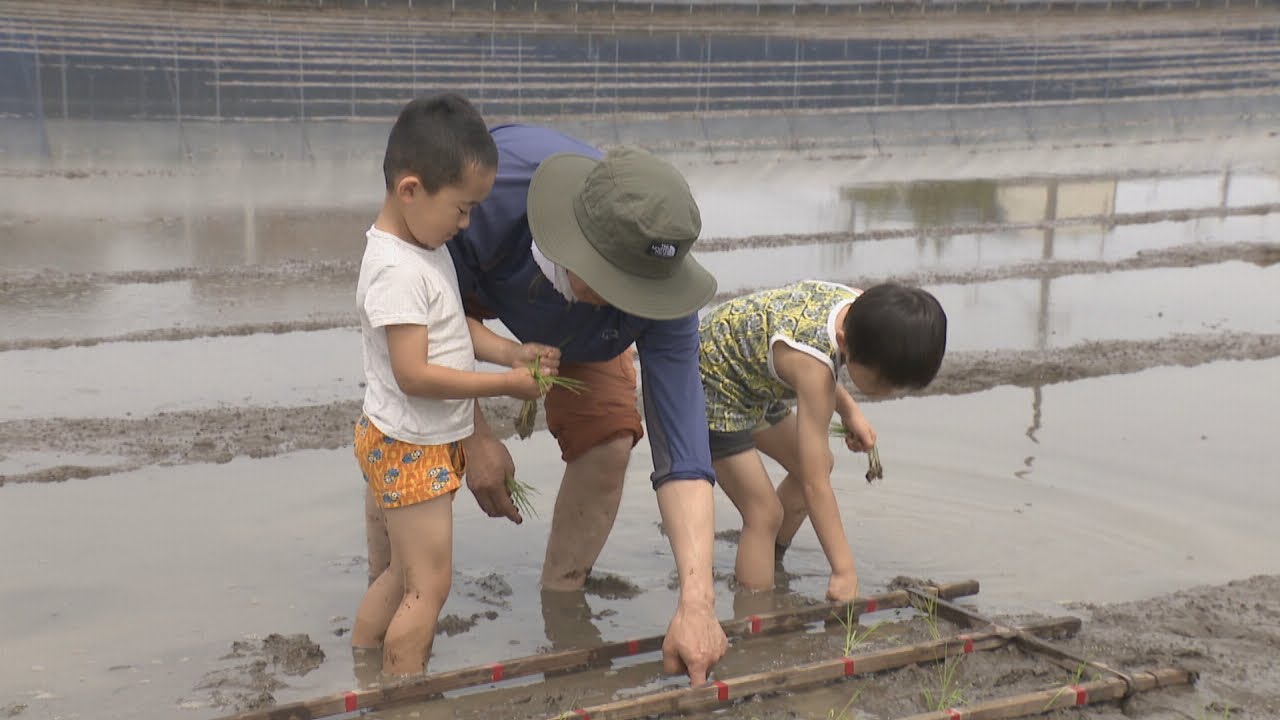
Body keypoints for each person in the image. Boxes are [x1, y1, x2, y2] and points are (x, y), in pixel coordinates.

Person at [364, 123, 729, 685]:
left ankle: (561, 606)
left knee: (609, 442)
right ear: (574, 244)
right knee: (406, 442)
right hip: (464, 303)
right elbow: (417, 340)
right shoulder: (482, 201)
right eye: (614, 286)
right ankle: (376, 647)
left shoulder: (663, 285)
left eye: (641, 296)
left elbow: (683, 449)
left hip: (575, 345)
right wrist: (475, 437)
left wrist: (697, 604)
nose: (627, 305)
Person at [349, 95, 561, 677]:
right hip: (411, 448)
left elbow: (454, 328)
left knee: (401, 575)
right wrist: (504, 385)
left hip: (415, 440)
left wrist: (511, 352)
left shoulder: (425, 247)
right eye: (462, 209)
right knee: (428, 586)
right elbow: (414, 372)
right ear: (410, 189)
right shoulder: (396, 270)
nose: (466, 225)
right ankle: (401, 692)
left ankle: (365, 670)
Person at [698, 280, 947, 601]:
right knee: (763, 513)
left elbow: (822, 363)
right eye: (884, 383)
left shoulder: (862, 309)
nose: (889, 394)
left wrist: (850, 411)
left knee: (819, 464)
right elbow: (816, 484)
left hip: (752, 375)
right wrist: (844, 570)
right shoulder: (814, 369)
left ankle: (767, 556)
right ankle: (754, 618)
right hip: (711, 382)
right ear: (845, 343)